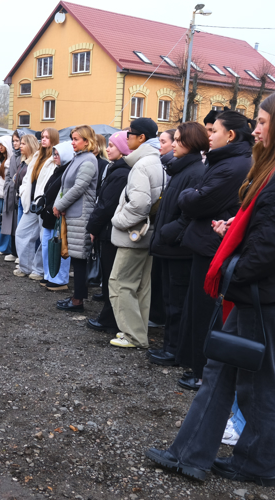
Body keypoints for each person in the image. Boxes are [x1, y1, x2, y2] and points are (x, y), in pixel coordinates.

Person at [146, 90, 275, 486]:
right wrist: (238, 233)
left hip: (262, 296)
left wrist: (234, 269)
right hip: (266, 294)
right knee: (232, 376)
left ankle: (221, 459)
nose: (256, 130)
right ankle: (208, 457)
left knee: (250, 382)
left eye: (262, 122)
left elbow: (274, 245)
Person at [174, 111, 253, 391]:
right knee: (196, 310)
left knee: (206, 312)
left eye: (214, 131)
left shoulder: (233, 166)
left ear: (230, 135)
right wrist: (193, 194)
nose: (209, 135)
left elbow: (196, 201)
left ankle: (203, 372)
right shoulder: (225, 162)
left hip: (212, 244)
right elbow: (196, 194)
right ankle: (197, 367)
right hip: (205, 241)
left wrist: (190, 195)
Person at [147, 123, 208, 366]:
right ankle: (171, 346)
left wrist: (169, 231)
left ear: (191, 143)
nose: (173, 144)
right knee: (170, 299)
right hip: (168, 245)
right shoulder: (180, 169)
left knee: (177, 303)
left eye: (178, 140)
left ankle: (174, 350)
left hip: (178, 249)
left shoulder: (194, 172)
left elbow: (190, 212)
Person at [108, 117, 165, 348]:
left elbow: (140, 204)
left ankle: (133, 335)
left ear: (141, 138)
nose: (126, 136)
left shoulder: (141, 165)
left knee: (120, 283)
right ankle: (138, 333)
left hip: (134, 234)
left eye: (130, 133)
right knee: (141, 286)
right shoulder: (155, 161)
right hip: (147, 233)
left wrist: (117, 220)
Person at [85, 131, 131, 333]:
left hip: (110, 230)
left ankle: (109, 319)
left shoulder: (121, 173)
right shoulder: (116, 169)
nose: (108, 148)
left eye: (113, 145)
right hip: (107, 229)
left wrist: (93, 227)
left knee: (112, 275)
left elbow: (106, 205)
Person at [54, 125, 98, 311]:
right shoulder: (78, 158)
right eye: (72, 138)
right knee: (76, 259)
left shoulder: (88, 160)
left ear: (87, 141)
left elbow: (78, 188)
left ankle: (78, 300)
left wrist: (60, 205)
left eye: (76, 139)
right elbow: (65, 186)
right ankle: (76, 297)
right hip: (72, 213)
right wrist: (58, 204)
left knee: (80, 260)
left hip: (81, 215)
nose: (72, 142)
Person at [15, 128, 58, 279]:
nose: (43, 139)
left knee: (43, 237)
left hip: (44, 204)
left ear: (53, 139)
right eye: (42, 137)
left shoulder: (55, 159)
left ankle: (38, 270)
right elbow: (27, 178)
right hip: (31, 202)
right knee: (21, 233)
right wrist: (22, 191)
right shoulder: (37, 156)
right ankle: (25, 267)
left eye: (47, 137)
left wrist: (45, 201)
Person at [149, 128, 177, 329]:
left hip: (168, 231)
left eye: (164, 141)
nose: (162, 145)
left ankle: (159, 316)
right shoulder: (165, 164)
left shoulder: (172, 167)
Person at [39, 142, 74, 291]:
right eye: (54, 154)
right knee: (47, 246)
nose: (54, 157)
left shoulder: (68, 171)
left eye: (57, 154)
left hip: (58, 215)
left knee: (59, 247)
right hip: (49, 214)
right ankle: (49, 274)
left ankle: (59, 278)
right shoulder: (58, 170)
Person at [3, 130, 29, 260]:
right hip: (12, 192)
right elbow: (8, 174)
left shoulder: (25, 157)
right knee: (12, 223)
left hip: (20, 193)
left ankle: (20, 253)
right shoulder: (13, 156)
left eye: (18, 140)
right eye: (13, 141)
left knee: (19, 224)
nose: (15, 143)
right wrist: (8, 185)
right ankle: (13, 251)